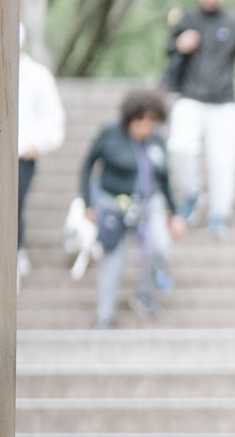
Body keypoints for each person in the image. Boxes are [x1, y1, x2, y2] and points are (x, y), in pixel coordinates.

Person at [76, 88, 186, 330]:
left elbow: (164, 178)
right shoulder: (110, 134)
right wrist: (88, 202)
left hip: (148, 202)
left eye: (152, 121)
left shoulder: (156, 141)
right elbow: (87, 166)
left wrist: (176, 213)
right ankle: (104, 316)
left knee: (159, 247)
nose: (146, 127)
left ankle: (144, 294)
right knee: (113, 258)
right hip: (113, 202)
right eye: (142, 120)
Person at [162, 0, 235, 235]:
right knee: (179, 147)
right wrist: (180, 45)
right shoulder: (187, 20)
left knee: (223, 160)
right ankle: (192, 193)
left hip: (224, 101)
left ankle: (220, 212)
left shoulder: (234, 23)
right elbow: (168, 50)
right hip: (190, 96)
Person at [17, 27, 66, 282]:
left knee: (14, 203)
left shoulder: (37, 75)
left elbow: (53, 118)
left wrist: (36, 144)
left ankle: (15, 250)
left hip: (22, 154)